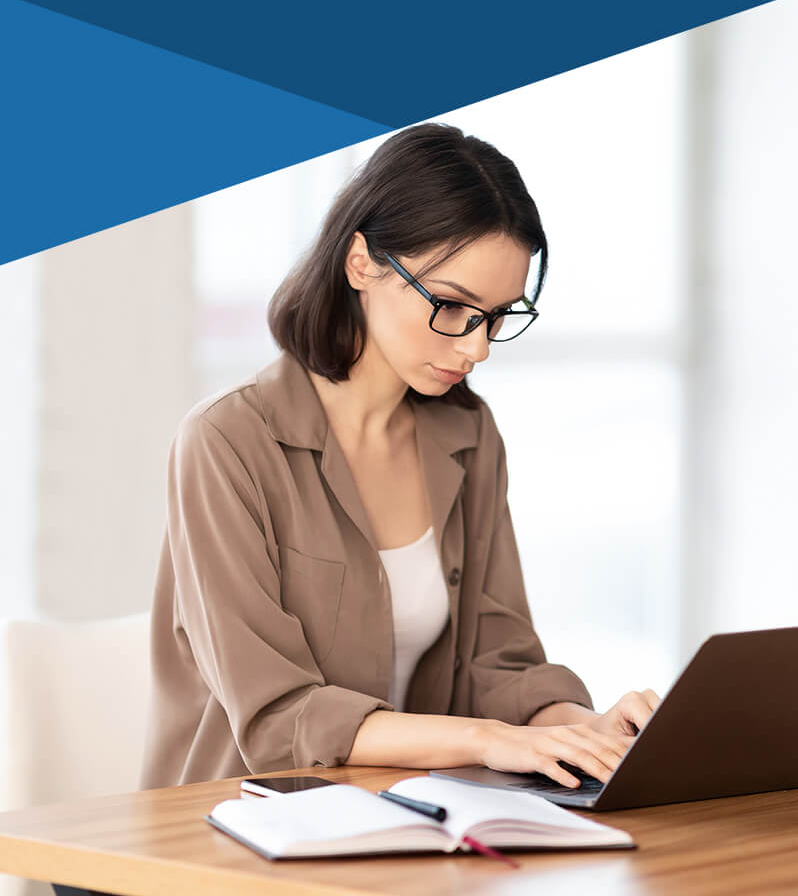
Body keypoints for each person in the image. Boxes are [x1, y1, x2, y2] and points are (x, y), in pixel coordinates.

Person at [138, 122, 661, 795]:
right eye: (451, 306)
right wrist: (488, 738)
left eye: (498, 316)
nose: (477, 349)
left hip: (402, 825)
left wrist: (582, 727)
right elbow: (279, 718)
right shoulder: (226, 443)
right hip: (227, 837)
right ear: (362, 262)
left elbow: (497, 664)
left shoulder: (469, 435)